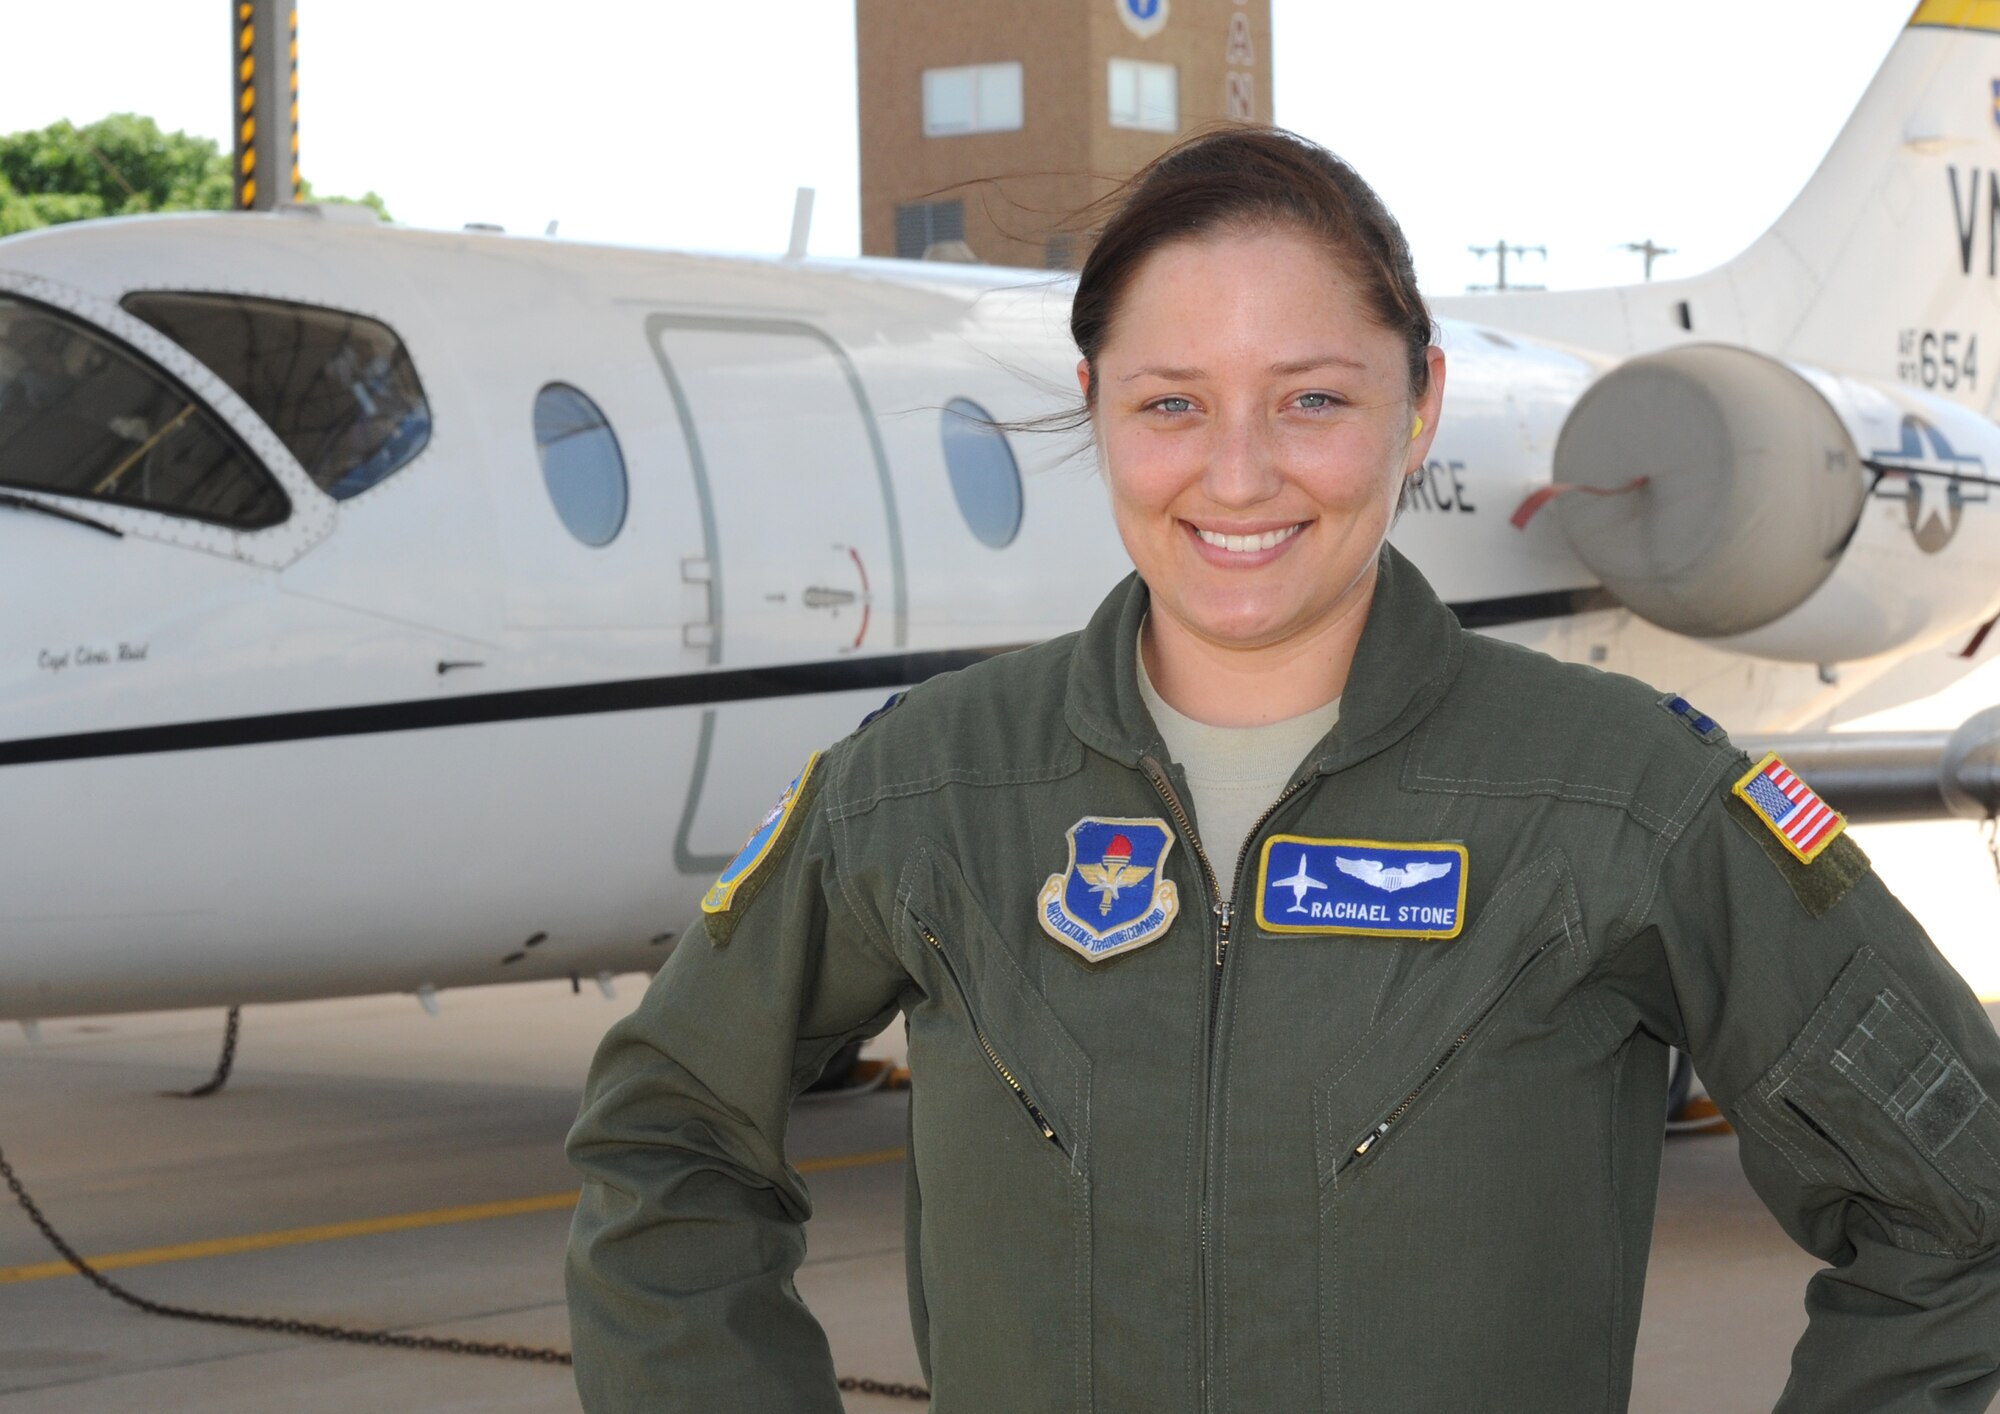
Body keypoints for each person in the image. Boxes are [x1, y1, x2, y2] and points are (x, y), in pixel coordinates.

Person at [564, 128, 2000, 1412]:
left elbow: (1963, 1204)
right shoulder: (925, 791)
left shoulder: (1622, 800)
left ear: (1417, 404)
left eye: (1311, 400)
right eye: (1172, 403)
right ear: (1096, 404)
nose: (1238, 477)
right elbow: (665, 1137)